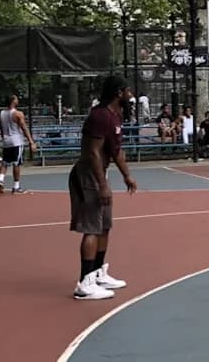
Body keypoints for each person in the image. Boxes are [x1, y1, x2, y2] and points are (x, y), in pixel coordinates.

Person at [69, 75, 137, 300]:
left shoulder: (115, 116)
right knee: (92, 228)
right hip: (89, 175)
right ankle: (84, 283)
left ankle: (97, 273)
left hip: (100, 174)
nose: (131, 96)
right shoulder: (99, 116)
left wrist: (126, 175)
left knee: (104, 226)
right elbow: (92, 152)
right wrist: (102, 184)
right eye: (128, 91)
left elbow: (116, 151)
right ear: (119, 92)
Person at [0, 94, 36, 194]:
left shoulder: (1, 114)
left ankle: (1, 180)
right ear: (13, 101)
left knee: (4, 162)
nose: (18, 100)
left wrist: (4, 138)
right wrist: (31, 142)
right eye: (16, 99)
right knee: (16, 163)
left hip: (6, 141)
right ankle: (16, 186)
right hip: (16, 141)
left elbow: (1, 128)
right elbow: (24, 128)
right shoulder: (18, 114)